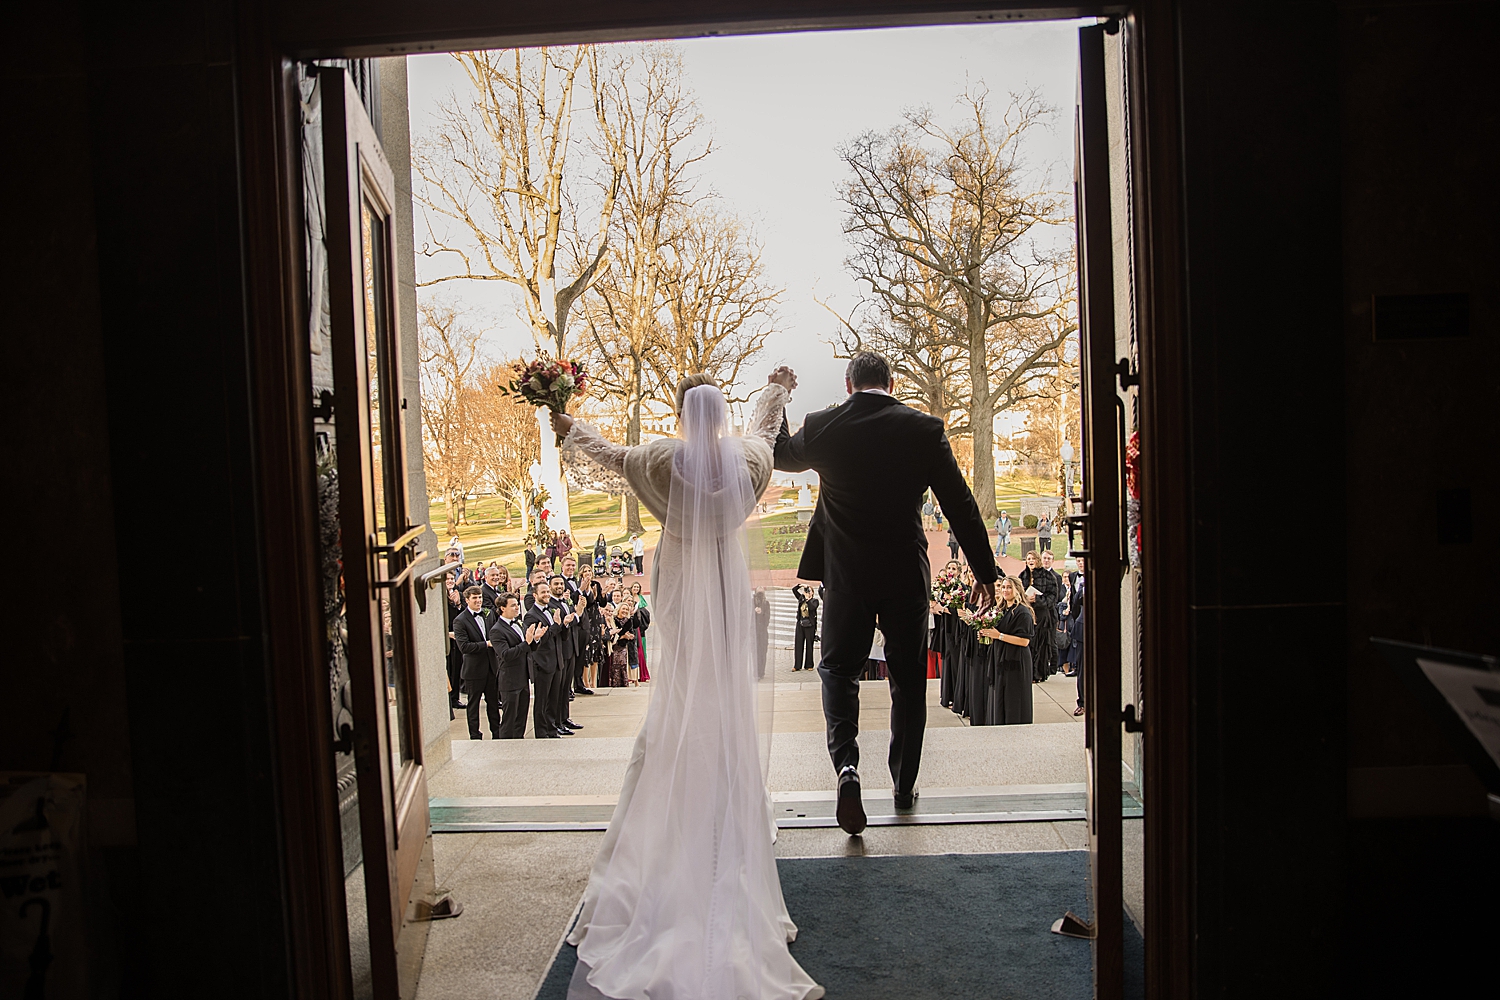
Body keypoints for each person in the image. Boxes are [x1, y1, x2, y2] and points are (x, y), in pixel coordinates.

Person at [552, 371, 822, 1000]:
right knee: (723, 709)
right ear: (720, 414)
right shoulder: (749, 463)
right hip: (726, 597)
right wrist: (778, 390)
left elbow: (611, 456)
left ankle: (669, 817)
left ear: (678, 414)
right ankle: (727, 823)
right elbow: (762, 431)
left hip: (678, 593)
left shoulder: (656, 461)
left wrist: (570, 429)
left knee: (676, 701)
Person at [772, 351, 997, 833]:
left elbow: (779, 453)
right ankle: (903, 782)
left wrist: (779, 395)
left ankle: (848, 769)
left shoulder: (824, 425)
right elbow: (960, 504)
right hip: (904, 575)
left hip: (847, 576)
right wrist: (985, 572)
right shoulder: (923, 430)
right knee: (908, 679)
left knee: (837, 670)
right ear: (891, 383)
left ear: (849, 384)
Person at [977, 577, 1036, 725]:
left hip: (1016, 661)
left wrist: (999, 636)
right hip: (1000, 658)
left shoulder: (1023, 613)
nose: (1005, 590)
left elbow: (1024, 641)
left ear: (1017, 589)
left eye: (1009, 587)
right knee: (999, 699)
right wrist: (987, 634)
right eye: (1003, 587)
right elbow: (996, 633)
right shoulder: (1000, 610)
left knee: (1013, 700)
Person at [452, 586, 502, 740]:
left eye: (480, 597)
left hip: (491, 668)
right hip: (474, 670)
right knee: (473, 705)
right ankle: (475, 735)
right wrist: (485, 644)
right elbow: (464, 647)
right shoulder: (460, 621)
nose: (478, 601)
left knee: (493, 703)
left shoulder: (488, 615)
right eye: (474, 598)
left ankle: (497, 732)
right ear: (467, 600)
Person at [522, 579, 570, 738]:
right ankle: (541, 732)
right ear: (535, 595)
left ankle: (551, 729)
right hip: (542, 663)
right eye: (543, 592)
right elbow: (538, 641)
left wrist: (564, 625)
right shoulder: (530, 616)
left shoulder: (552, 609)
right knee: (542, 701)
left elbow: (560, 637)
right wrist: (556, 626)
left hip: (557, 661)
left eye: (547, 592)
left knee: (553, 699)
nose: (547, 595)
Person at [491, 593, 540, 738]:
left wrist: (535, 640)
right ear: (502, 608)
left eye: (517, 604)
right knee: (509, 719)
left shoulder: (519, 623)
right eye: (513, 605)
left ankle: (519, 743)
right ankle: (506, 748)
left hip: (523, 677)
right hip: (510, 680)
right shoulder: (496, 630)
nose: (517, 607)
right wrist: (527, 643)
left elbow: (528, 648)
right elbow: (505, 655)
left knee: (521, 718)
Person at [1019, 549, 1060, 682]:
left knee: (1040, 645)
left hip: (1042, 615)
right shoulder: (1022, 576)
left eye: (1033, 559)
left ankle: (1038, 673)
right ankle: (1027, 673)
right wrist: (1025, 599)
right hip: (1026, 614)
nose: (1030, 561)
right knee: (1028, 644)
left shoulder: (1048, 577)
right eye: (1028, 558)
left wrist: (1037, 600)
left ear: (1038, 561)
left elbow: (1053, 597)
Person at [1065, 559, 1086, 715]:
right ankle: (1083, 702)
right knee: (1083, 668)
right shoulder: (1078, 582)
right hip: (1082, 628)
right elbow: (1075, 604)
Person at [793, 584, 819, 671]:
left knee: (809, 645)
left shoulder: (814, 601)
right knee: (798, 644)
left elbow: (812, 608)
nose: (807, 592)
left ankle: (809, 665)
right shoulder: (801, 599)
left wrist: (808, 599)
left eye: (809, 591)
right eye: (806, 591)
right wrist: (800, 586)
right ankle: (797, 665)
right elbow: (794, 590)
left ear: (812, 593)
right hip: (801, 624)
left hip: (810, 625)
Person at [629, 580, 651, 682]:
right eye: (634, 587)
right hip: (632, 626)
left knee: (642, 650)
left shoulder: (641, 599)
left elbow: (645, 612)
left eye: (637, 587)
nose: (636, 589)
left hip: (640, 627)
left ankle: (643, 672)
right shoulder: (629, 598)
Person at [753, 588, 771, 679]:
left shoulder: (766, 603)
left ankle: (761, 672)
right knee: (755, 652)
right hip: (753, 632)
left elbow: (767, 617)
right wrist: (754, 612)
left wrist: (761, 613)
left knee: (762, 652)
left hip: (763, 632)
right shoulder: (752, 603)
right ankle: (756, 671)